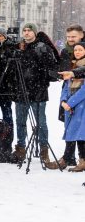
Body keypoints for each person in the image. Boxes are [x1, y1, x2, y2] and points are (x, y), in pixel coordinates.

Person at [14, 23, 59, 164]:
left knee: (41, 123)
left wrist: (42, 82)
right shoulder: (19, 48)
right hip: (21, 91)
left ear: (34, 32)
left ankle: (44, 150)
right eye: (24, 30)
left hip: (38, 91)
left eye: (29, 30)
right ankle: (21, 149)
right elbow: (13, 70)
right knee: (20, 122)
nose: (26, 33)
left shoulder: (42, 48)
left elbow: (51, 69)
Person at [48, 42, 85, 171]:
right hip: (70, 107)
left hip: (81, 106)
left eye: (80, 50)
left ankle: (82, 160)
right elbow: (65, 86)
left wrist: (71, 102)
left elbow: (84, 90)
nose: (77, 52)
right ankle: (67, 158)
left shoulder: (82, 68)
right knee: (70, 132)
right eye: (76, 50)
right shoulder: (73, 66)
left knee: (81, 135)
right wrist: (63, 101)